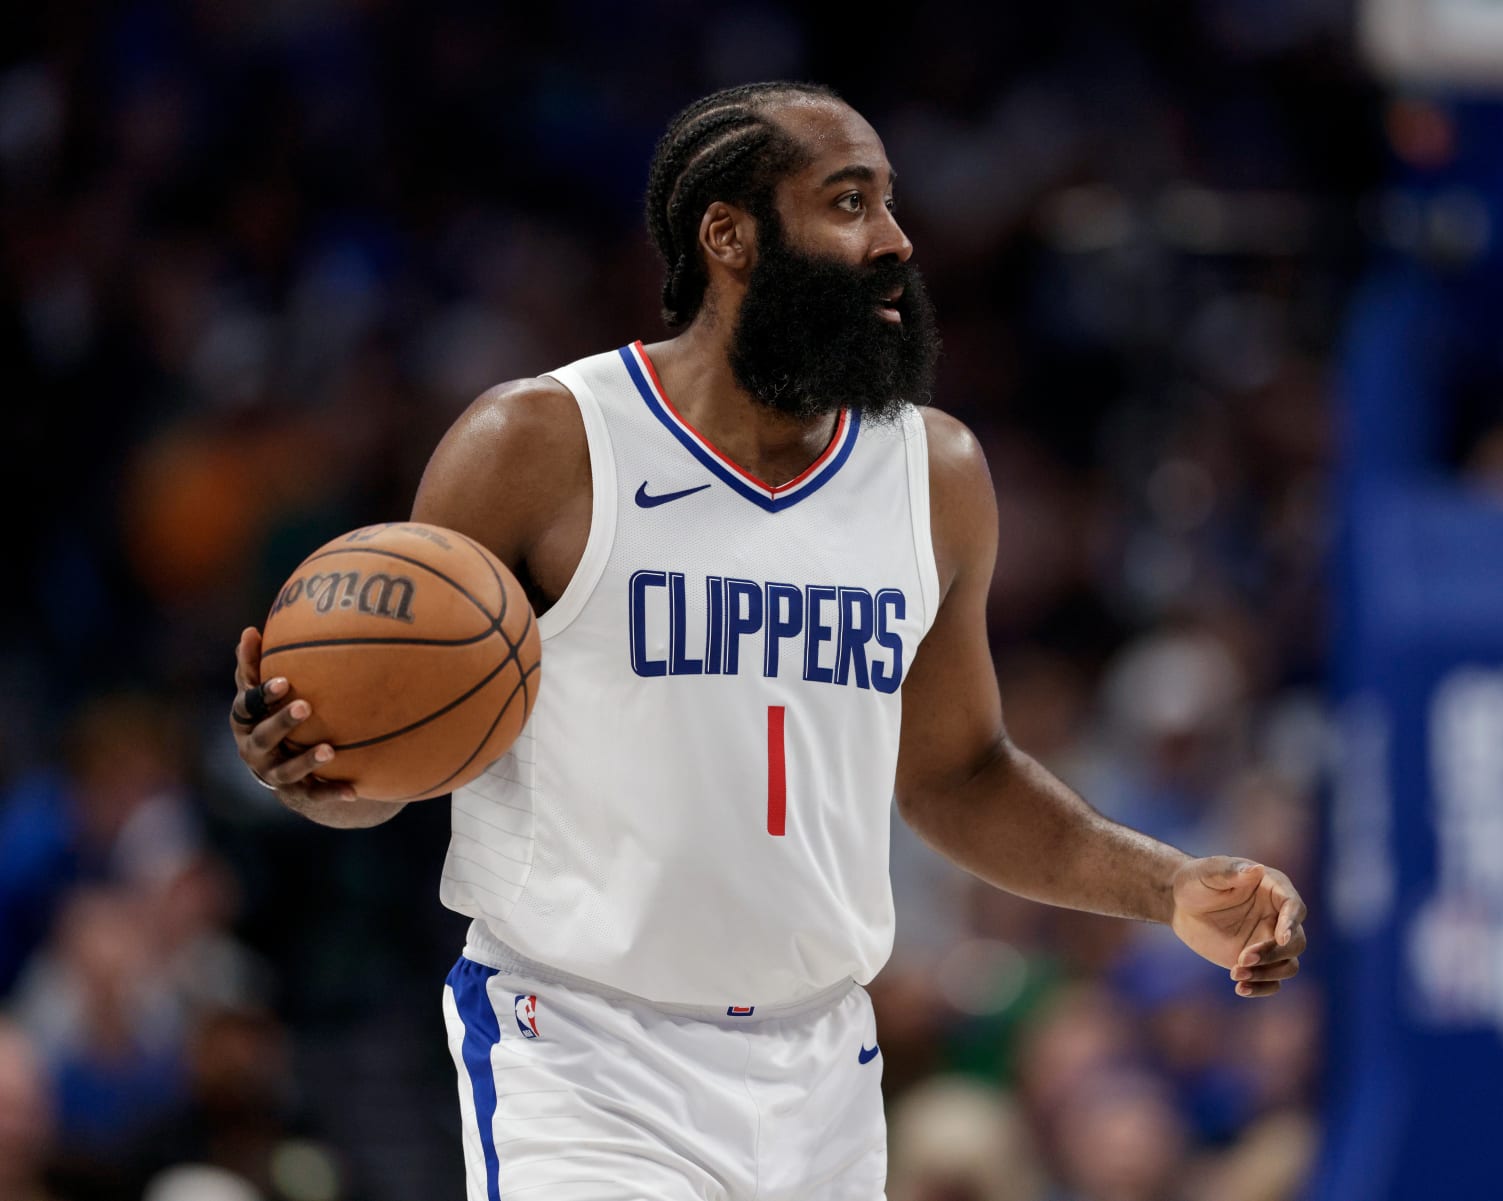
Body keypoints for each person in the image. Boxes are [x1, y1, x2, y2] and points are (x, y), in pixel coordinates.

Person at [227, 81, 1308, 1201]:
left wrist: (1169, 886)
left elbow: (956, 773)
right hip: (583, 1052)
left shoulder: (932, 475)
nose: (894, 241)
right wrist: (316, 764)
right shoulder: (542, 444)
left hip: (822, 1065)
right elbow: (388, 755)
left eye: (889, 204)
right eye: (848, 202)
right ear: (730, 235)